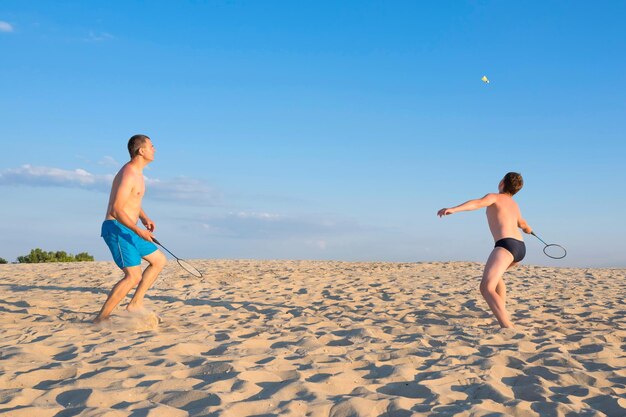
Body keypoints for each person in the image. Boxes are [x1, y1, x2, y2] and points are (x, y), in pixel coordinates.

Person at [437, 172, 532, 328]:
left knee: (486, 288)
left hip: (506, 246)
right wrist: (528, 229)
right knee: (496, 278)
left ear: (502, 183)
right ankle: (500, 309)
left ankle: (508, 326)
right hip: (520, 248)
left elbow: (477, 203)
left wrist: (454, 209)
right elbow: (523, 224)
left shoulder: (494, 197)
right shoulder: (514, 205)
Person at [94, 134, 167, 323]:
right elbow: (116, 209)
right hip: (117, 228)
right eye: (151, 146)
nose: (154, 149)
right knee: (133, 276)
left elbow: (132, 201)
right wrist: (138, 230)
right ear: (141, 151)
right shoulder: (128, 173)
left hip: (131, 228)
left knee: (159, 261)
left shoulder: (138, 174)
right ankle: (100, 319)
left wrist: (144, 217)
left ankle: (135, 304)